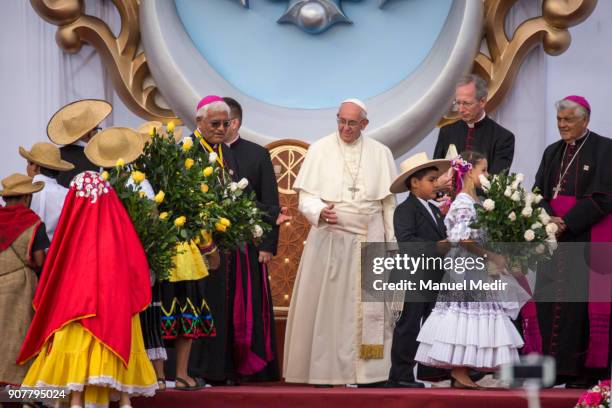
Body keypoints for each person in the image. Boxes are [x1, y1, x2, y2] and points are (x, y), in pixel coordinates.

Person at [17, 171, 157, 408]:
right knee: (117, 338)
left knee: (73, 343)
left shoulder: (71, 231)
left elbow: (55, 268)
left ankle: (75, 399)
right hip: (114, 304)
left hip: (74, 304)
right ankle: (123, 400)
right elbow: (135, 267)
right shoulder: (118, 227)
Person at [283, 99, 397, 386]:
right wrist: (319, 210)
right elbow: (305, 197)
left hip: (371, 238)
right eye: (341, 121)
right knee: (331, 310)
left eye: (351, 123)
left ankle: (369, 373)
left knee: (368, 308)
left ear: (364, 124)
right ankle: (328, 370)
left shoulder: (381, 153)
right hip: (332, 237)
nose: (345, 128)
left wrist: (392, 243)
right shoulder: (320, 149)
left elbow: (388, 203)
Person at [190, 97, 283, 384]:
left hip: (242, 247)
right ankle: (204, 368)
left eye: (224, 123)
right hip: (202, 244)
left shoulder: (253, 154)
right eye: (215, 124)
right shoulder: (192, 150)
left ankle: (233, 367)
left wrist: (267, 243)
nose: (221, 129)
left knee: (237, 310)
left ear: (235, 123)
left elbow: (269, 202)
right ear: (201, 123)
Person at [415, 151, 524, 389]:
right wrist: (490, 255)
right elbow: (464, 239)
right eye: (483, 170)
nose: (486, 174)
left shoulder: (473, 200)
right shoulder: (464, 201)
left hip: (472, 267)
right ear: (469, 171)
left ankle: (462, 370)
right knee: (464, 316)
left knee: (472, 317)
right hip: (466, 268)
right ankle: (459, 371)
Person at [530, 95, 612, 387]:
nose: (562, 125)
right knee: (549, 303)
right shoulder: (552, 151)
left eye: (568, 120)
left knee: (578, 307)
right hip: (553, 241)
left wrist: (568, 221)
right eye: (559, 120)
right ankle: (553, 370)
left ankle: (580, 372)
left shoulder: (605, 149)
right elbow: (537, 192)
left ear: (585, 120)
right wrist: (548, 218)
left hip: (584, 239)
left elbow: (604, 195)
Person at [85, 126, 169, 391]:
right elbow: (152, 222)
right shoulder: (139, 182)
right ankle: (140, 376)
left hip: (101, 262)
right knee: (139, 320)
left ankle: (105, 373)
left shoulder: (93, 180)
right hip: (132, 258)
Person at [386, 153, 450, 387]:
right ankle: (400, 376)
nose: (436, 184)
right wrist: (437, 246)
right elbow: (406, 241)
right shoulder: (405, 210)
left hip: (431, 278)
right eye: (432, 180)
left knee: (430, 325)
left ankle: (429, 372)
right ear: (415, 183)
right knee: (408, 326)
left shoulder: (433, 210)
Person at [0, 174, 49, 386]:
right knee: (17, 336)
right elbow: (39, 260)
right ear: (27, 197)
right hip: (20, 287)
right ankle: (19, 391)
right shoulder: (33, 222)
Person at [433, 75, 514, 175]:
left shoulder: (503, 137)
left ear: (482, 102)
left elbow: (495, 183)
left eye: (466, 103)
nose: (461, 110)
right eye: (458, 103)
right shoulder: (447, 132)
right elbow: (435, 172)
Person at [47, 99, 112, 187]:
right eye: (97, 129)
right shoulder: (99, 158)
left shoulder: (54, 156)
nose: (97, 133)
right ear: (88, 134)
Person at [19, 142, 74, 241]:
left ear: (35, 167)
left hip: (26, 252)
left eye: (28, 163)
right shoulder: (67, 195)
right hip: (57, 253)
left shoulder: (21, 193)